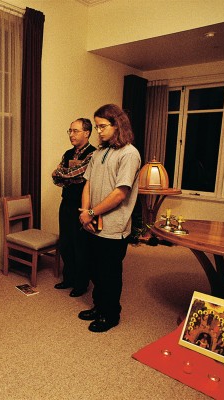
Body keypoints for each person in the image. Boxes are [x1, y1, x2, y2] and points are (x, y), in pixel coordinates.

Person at [76, 104, 141, 333]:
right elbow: (88, 184)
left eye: (103, 126)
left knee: (109, 273)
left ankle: (110, 314)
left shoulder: (129, 154)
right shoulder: (99, 153)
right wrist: (86, 214)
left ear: (117, 125)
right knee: (94, 269)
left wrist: (93, 212)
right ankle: (98, 306)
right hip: (92, 223)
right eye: (96, 127)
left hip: (114, 227)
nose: (99, 131)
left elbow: (119, 193)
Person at [51, 118, 96, 297]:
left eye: (75, 131)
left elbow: (79, 174)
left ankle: (81, 283)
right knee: (66, 243)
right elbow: (56, 178)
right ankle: (68, 278)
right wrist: (68, 176)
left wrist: (66, 175)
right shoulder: (68, 153)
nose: (71, 134)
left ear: (87, 133)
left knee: (80, 245)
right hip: (66, 202)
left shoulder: (93, 154)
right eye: (70, 131)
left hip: (82, 205)